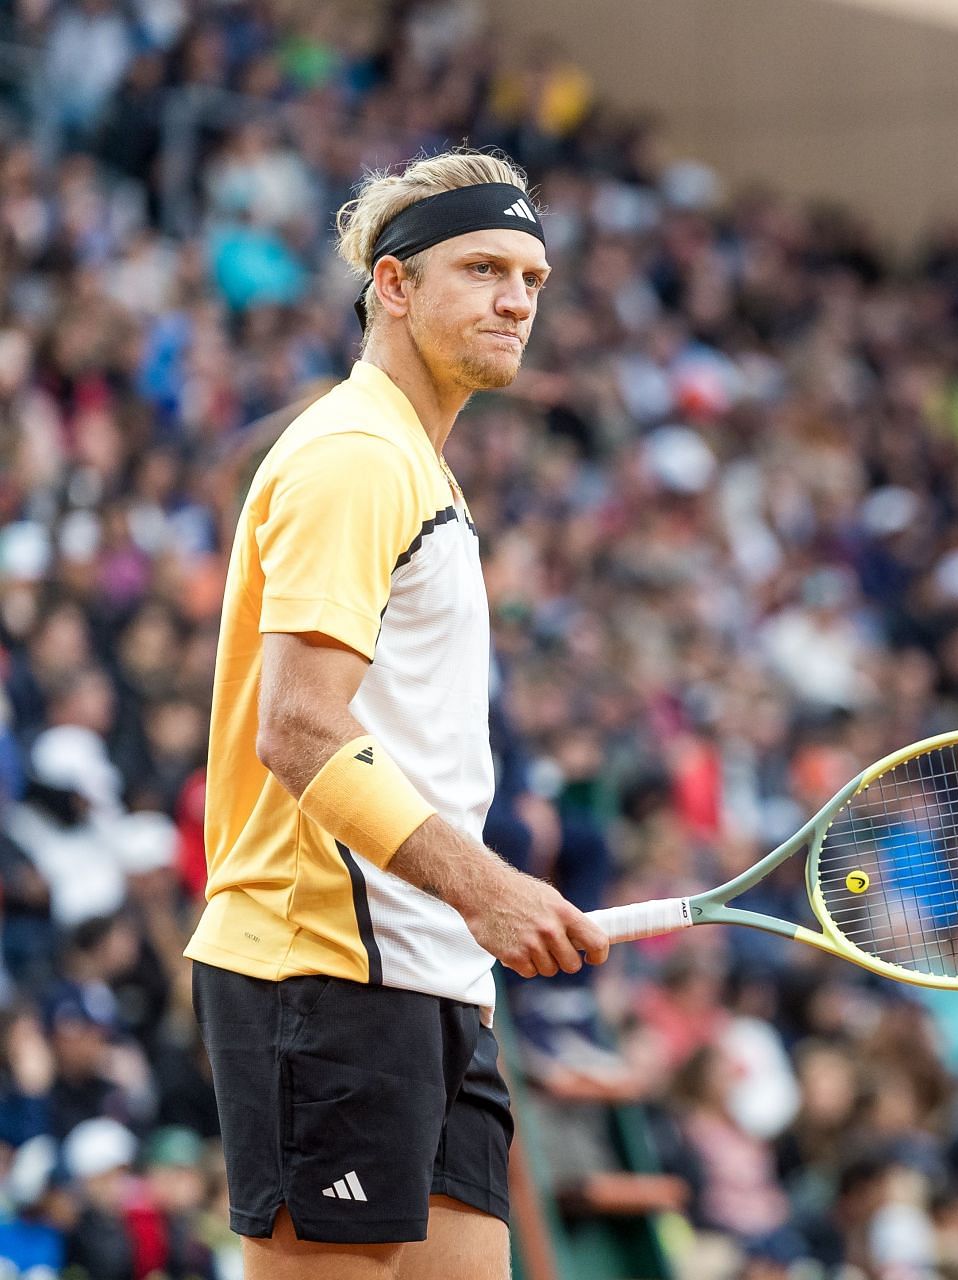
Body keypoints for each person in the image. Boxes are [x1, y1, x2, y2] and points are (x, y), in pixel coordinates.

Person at [183, 149, 609, 1279]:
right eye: (482, 267)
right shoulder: (358, 455)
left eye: (532, 275)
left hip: (428, 975)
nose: (517, 297)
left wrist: (473, 914)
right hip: (319, 966)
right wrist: (488, 887)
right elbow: (299, 730)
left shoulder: (418, 467)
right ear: (393, 285)